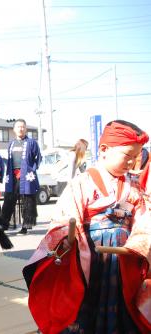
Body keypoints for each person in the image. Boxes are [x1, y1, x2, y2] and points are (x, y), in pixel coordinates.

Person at [23, 120, 151, 333]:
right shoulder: (82, 182)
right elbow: (66, 217)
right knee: (86, 303)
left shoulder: (133, 185)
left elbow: (144, 217)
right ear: (104, 150)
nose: (132, 163)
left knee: (124, 304)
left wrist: (139, 243)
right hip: (90, 257)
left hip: (124, 257)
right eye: (127, 156)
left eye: (135, 158)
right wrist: (68, 236)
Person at [0, 119, 42, 234]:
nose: (21, 129)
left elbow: (38, 158)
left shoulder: (32, 142)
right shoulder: (11, 143)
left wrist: (32, 170)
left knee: (27, 201)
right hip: (12, 175)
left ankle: (25, 226)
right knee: (9, 199)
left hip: (26, 176)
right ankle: (4, 224)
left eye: (23, 127)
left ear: (26, 129)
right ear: (14, 129)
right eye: (18, 127)